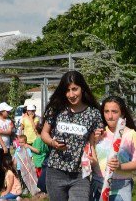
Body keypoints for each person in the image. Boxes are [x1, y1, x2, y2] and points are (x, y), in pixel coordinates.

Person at [40, 70, 104, 201]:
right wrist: (53, 143)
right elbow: (44, 133)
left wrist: (98, 136)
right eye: (67, 90)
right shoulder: (56, 109)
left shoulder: (93, 113)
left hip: (80, 173)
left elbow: (97, 141)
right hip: (55, 171)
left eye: (75, 89)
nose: (71, 94)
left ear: (82, 89)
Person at [91, 96, 136, 201]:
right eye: (106, 111)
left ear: (122, 113)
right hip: (98, 185)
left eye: (114, 112)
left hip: (121, 186)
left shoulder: (130, 134)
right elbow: (91, 159)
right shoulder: (98, 133)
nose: (110, 116)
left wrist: (120, 166)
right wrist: (93, 141)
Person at [0, 102, 16, 193]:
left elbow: (10, 132)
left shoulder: (9, 121)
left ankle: (2, 185)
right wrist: (3, 146)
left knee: (4, 166)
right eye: (7, 111)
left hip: (7, 146)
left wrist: (1, 131)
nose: (8, 112)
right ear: (1, 111)